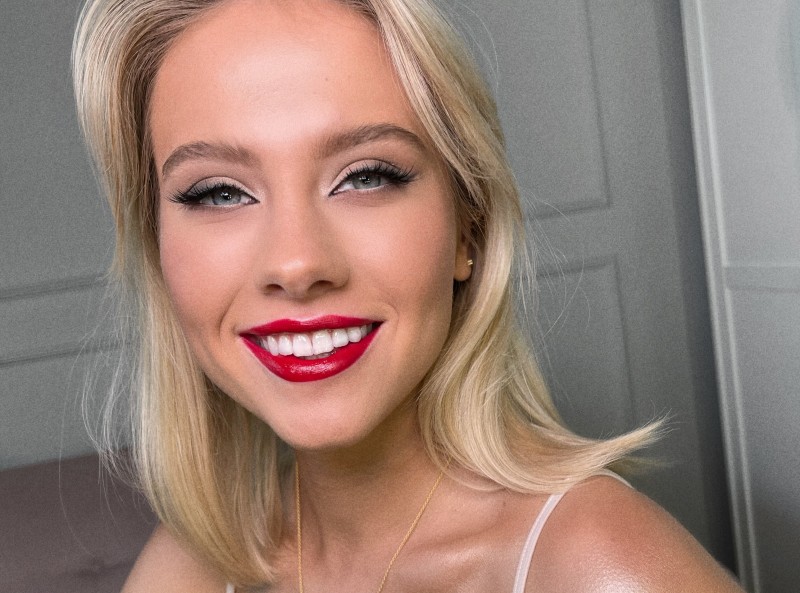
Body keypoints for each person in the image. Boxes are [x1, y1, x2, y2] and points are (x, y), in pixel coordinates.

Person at [72, 0, 744, 591]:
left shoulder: (604, 568)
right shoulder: (195, 562)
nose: (296, 263)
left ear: (466, 228)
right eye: (219, 192)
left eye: (366, 176)